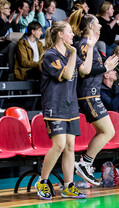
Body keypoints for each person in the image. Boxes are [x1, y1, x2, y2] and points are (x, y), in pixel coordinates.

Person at [35, 21, 88, 200]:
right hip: (54, 106)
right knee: (58, 145)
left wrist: (92, 47)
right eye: (70, 32)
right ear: (60, 35)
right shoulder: (50, 55)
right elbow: (66, 74)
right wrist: (73, 54)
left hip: (70, 106)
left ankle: (68, 186)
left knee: (70, 147)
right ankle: (42, 181)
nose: (73, 35)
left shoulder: (69, 53)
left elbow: (86, 70)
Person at [70, 10, 119, 186]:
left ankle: (86, 163)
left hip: (92, 94)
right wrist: (105, 68)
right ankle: (85, 163)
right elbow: (86, 71)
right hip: (88, 95)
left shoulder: (87, 44)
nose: (100, 25)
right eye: (97, 22)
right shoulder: (84, 44)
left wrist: (106, 66)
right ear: (91, 26)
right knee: (108, 131)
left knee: (105, 131)